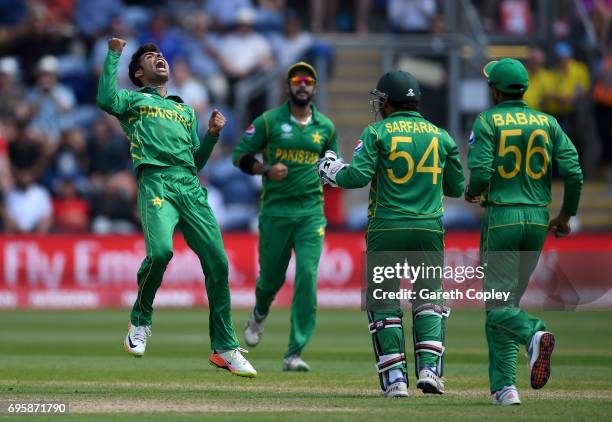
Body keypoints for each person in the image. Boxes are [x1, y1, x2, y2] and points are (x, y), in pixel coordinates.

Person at [96, 37, 256, 377]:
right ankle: (139, 321)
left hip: (190, 186)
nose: (160, 59)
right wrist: (113, 54)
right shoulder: (134, 101)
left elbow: (196, 162)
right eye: (151, 57)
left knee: (218, 261)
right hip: (157, 182)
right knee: (160, 253)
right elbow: (104, 98)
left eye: (161, 55)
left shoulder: (185, 109)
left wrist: (211, 135)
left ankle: (224, 347)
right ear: (139, 74)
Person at [317, 70, 465, 397]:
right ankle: (429, 370)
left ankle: (396, 380)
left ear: (388, 101)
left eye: (380, 100)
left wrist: (330, 169)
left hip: (387, 225)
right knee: (428, 297)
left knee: (383, 301)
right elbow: (456, 188)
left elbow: (356, 177)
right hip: (429, 227)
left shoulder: (377, 132)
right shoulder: (441, 136)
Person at [464, 58, 583, 405]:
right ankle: (505, 388)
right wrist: (565, 216)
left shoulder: (488, 120)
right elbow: (574, 171)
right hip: (536, 220)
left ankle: (534, 333)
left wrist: (474, 191)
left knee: (496, 305)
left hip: (502, 217)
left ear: (497, 91)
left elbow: (483, 172)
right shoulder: (547, 122)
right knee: (506, 302)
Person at [232, 62, 337, 371]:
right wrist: (265, 170)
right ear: (288, 87)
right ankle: (259, 313)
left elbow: (333, 163)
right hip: (276, 212)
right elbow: (240, 156)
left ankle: (294, 353)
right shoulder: (269, 121)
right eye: (296, 80)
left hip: (310, 214)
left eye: (308, 81)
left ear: (315, 89)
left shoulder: (326, 128)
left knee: (307, 276)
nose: (302, 85)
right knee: (271, 280)